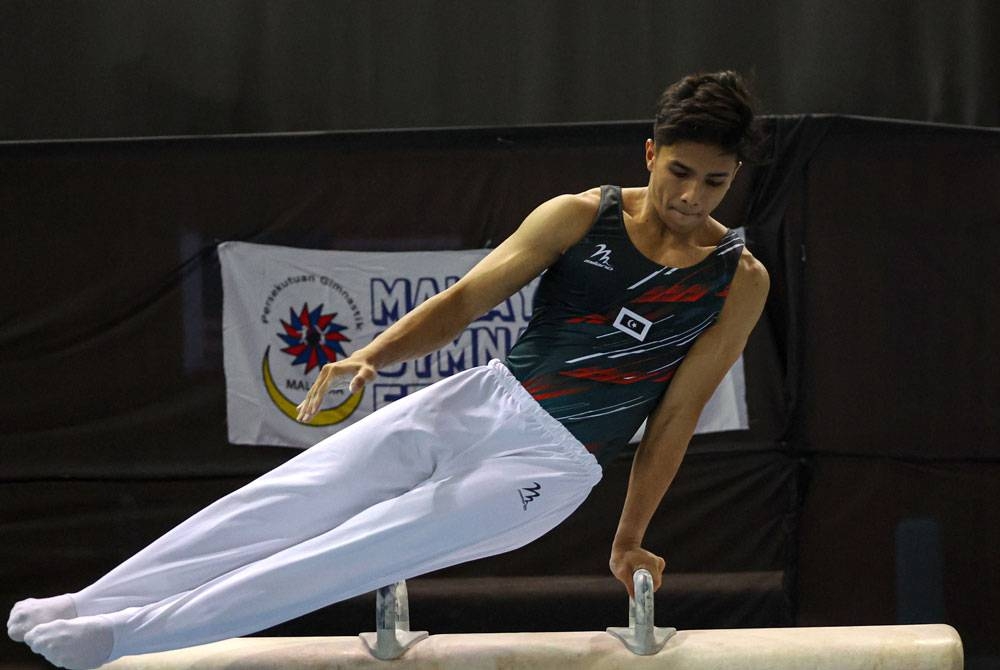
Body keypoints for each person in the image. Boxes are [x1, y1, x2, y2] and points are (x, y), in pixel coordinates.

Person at [8, 70, 769, 670]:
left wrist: (628, 536)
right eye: (680, 172)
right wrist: (373, 356)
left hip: (553, 464)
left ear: (733, 177)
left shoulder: (738, 280)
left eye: (714, 183)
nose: (690, 197)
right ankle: (89, 603)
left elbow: (675, 415)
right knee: (285, 499)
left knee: (346, 552)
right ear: (649, 153)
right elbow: (468, 298)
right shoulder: (578, 215)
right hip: (482, 398)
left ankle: (122, 637)